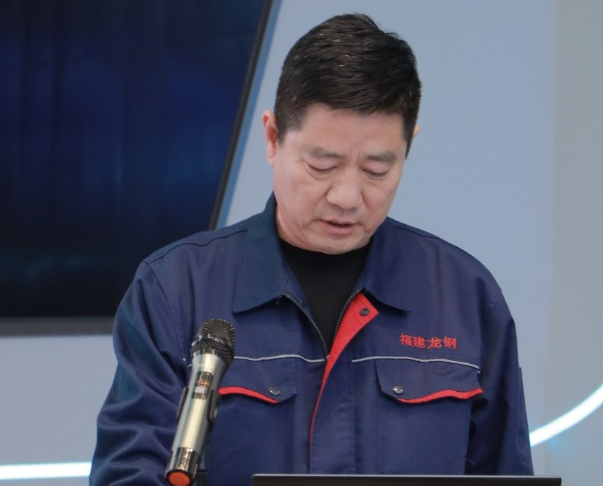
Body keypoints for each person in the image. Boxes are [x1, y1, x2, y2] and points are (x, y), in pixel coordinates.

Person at [90, 13, 533, 486]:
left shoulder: (465, 297)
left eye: (377, 170)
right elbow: (128, 471)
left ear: (409, 147)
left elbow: (505, 475)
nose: (347, 196)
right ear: (272, 138)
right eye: (322, 165)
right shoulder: (178, 290)